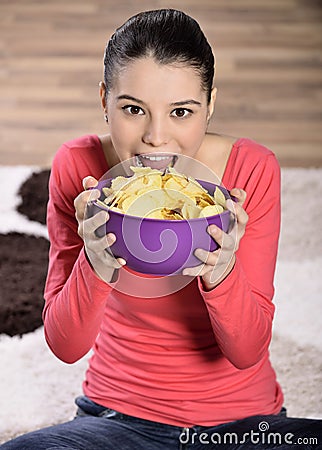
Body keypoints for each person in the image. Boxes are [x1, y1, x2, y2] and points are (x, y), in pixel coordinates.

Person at [1, 8, 321, 450]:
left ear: (210, 105)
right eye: (133, 109)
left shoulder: (252, 170)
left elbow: (246, 351)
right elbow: (65, 345)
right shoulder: (79, 169)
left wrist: (222, 269)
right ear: (103, 101)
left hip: (243, 428)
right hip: (115, 421)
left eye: (182, 112)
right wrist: (94, 263)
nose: (156, 137)